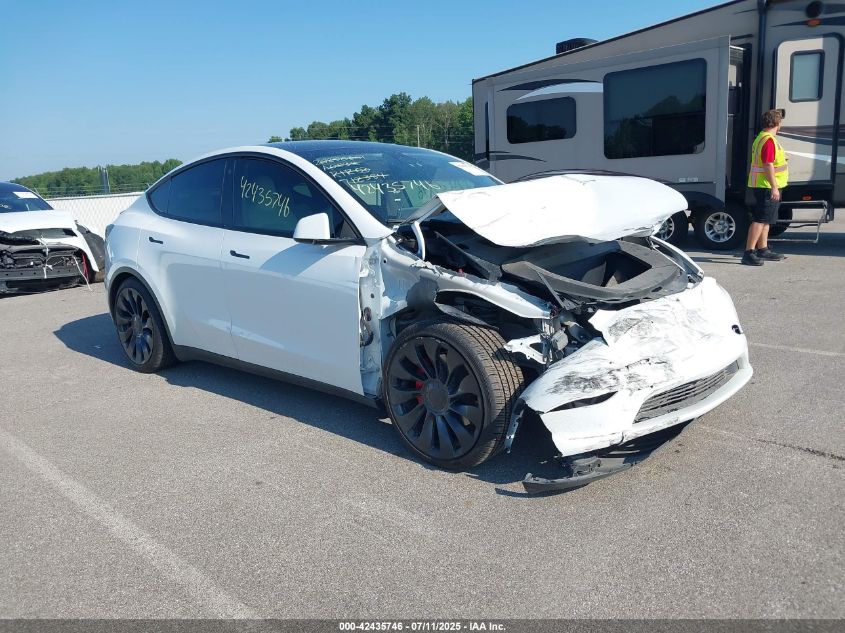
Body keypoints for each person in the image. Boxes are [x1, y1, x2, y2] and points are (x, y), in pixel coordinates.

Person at [743, 109, 788, 266]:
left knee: (766, 219)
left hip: (764, 184)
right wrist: (774, 187)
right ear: (776, 123)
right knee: (760, 219)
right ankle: (749, 253)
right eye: (780, 122)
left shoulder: (763, 138)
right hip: (766, 186)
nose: (781, 124)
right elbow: (767, 164)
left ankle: (763, 249)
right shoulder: (768, 140)